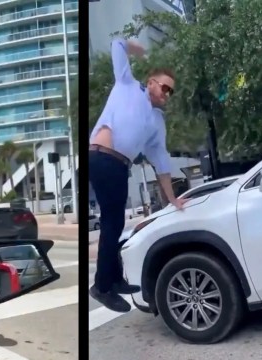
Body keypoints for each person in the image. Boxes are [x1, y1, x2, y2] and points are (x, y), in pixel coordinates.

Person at [88, 37, 187, 313]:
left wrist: (172, 199)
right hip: (101, 158)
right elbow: (116, 44)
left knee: (115, 224)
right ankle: (102, 287)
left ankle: (115, 279)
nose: (167, 94)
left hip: (119, 166)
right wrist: (137, 49)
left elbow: (162, 163)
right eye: (165, 87)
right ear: (152, 82)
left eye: (171, 92)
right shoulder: (127, 84)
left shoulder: (157, 122)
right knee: (112, 224)